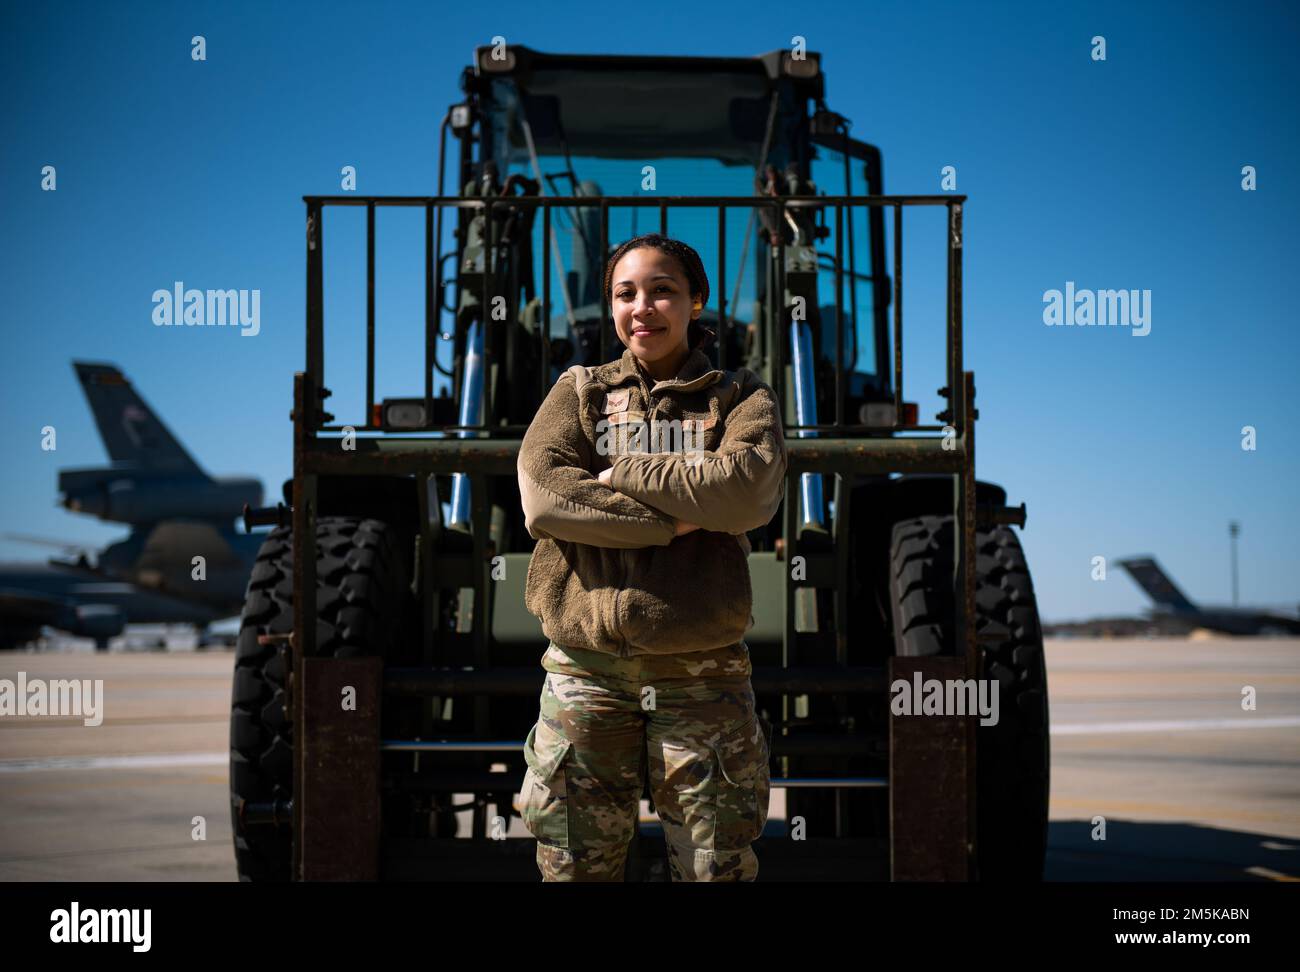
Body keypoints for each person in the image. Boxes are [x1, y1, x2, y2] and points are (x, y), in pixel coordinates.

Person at [515, 232, 788, 881]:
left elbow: (747, 489)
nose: (643, 307)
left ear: (697, 301)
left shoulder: (739, 395)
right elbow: (543, 498)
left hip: (702, 680)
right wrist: (681, 521)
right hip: (585, 678)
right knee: (576, 868)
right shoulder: (579, 392)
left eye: (663, 290)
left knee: (713, 867)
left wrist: (616, 476)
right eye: (625, 293)